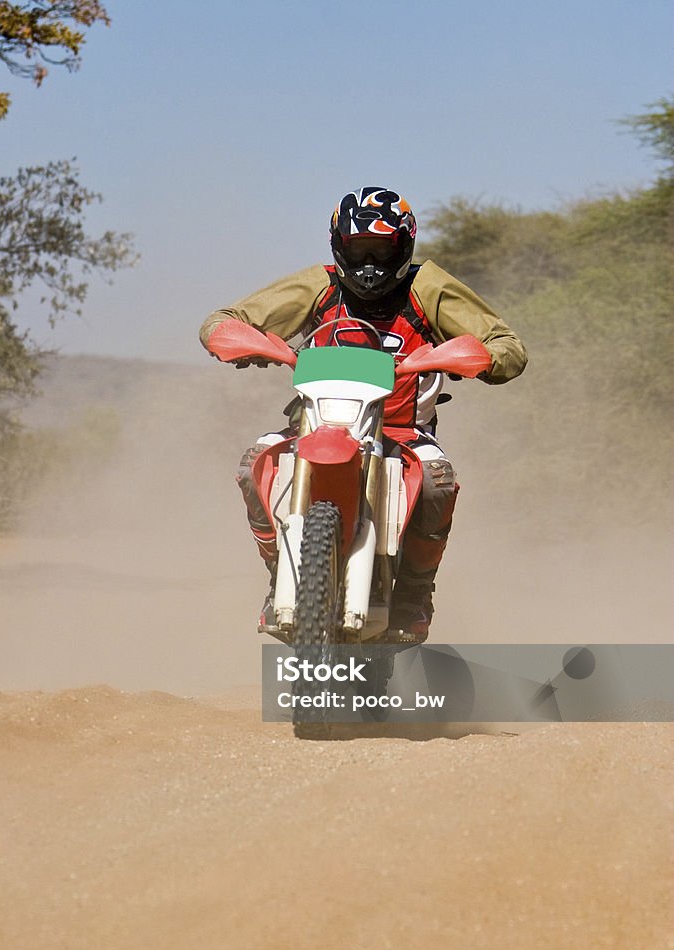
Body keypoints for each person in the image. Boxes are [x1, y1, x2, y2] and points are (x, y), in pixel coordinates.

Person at [199, 186, 527, 640]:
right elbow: (223, 319)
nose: (369, 263)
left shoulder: (426, 287)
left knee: (437, 482)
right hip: (315, 426)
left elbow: (507, 345)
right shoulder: (320, 284)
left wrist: (472, 357)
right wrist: (241, 339)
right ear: (339, 247)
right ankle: (281, 578)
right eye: (359, 250)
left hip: (403, 432)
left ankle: (414, 596)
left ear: (404, 246)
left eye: (381, 249)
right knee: (253, 464)